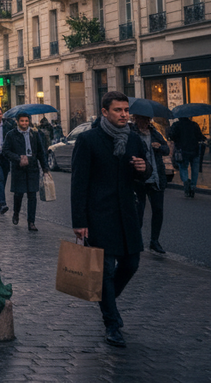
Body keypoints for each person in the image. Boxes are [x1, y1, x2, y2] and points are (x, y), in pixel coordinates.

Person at [71, 91, 148, 348]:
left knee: (132, 264)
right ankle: (112, 323)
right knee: (104, 272)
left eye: (126, 110)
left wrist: (143, 169)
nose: (124, 114)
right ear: (105, 112)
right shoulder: (88, 140)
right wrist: (79, 221)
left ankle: (108, 301)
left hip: (127, 214)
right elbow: (78, 183)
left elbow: (144, 176)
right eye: (118, 110)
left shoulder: (134, 140)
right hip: (99, 215)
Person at [3, 111, 48, 231]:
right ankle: (16, 213)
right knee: (19, 194)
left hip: (32, 167)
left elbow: (40, 152)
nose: (24, 123)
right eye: (22, 121)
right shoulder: (11, 135)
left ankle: (31, 222)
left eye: (26, 121)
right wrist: (18, 158)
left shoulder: (34, 134)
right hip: (19, 168)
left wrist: (45, 168)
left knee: (32, 195)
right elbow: (5, 151)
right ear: (17, 122)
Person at [132, 114, 169, 254]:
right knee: (138, 212)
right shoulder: (132, 133)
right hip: (139, 179)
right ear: (136, 119)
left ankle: (155, 241)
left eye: (148, 119)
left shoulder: (155, 133)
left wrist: (159, 147)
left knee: (158, 210)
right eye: (143, 119)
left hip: (156, 178)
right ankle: (137, 240)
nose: (146, 122)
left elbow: (167, 150)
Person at [169, 117, 206, 197]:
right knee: (195, 170)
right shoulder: (194, 125)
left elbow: (171, 136)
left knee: (183, 168)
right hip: (194, 151)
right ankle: (193, 186)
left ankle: (186, 182)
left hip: (182, 151)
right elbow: (200, 137)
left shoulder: (176, 125)